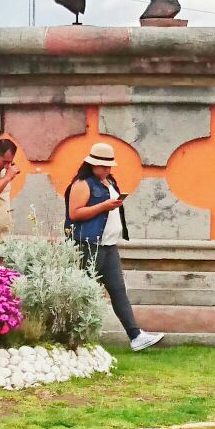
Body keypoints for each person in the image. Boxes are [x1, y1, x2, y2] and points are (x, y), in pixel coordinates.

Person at [65, 142, 164, 353]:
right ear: (91, 164)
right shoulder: (82, 184)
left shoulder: (108, 181)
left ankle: (135, 335)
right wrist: (103, 206)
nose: (107, 169)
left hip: (108, 245)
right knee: (83, 292)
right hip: (89, 245)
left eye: (109, 166)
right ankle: (72, 337)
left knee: (118, 291)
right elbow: (74, 213)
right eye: (103, 166)